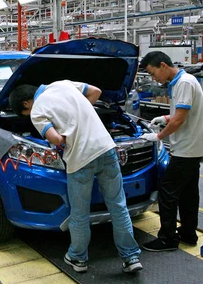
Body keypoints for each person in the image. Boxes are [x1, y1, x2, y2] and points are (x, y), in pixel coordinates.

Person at [9, 81, 143, 274]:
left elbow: (55, 139)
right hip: (106, 149)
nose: (28, 117)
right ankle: (131, 257)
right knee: (118, 206)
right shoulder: (62, 84)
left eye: (25, 114)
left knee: (80, 213)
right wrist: (81, 117)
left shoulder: (37, 110)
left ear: (25, 104)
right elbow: (96, 91)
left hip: (80, 160)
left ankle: (78, 258)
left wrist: (66, 135)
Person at [139, 51, 203, 252]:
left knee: (167, 191)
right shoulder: (180, 82)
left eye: (153, 73)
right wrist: (165, 118)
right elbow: (181, 114)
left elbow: (180, 119)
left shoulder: (184, 83)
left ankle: (167, 239)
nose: (154, 78)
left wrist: (159, 136)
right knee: (188, 192)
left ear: (163, 65)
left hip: (187, 148)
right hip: (192, 146)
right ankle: (188, 234)